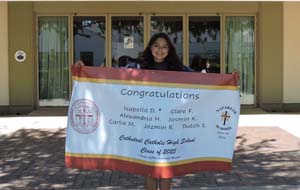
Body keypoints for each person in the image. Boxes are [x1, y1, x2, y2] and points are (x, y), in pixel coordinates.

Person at [74, 33, 239, 190]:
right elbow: (111, 78)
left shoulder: (178, 69)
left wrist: (228, 80)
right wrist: (85, 70)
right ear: (150, 47)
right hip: (145, 126)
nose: (160, 50)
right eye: (156, 45)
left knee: (166, 169)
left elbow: (203, 81)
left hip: (169, 126)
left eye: (164, 46)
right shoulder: (137, 67)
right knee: (149, 168)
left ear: (170, 49)